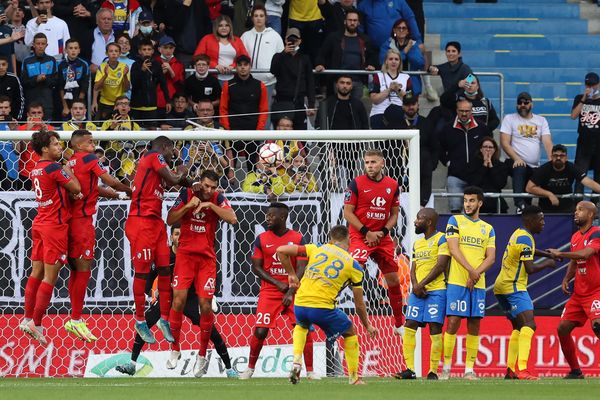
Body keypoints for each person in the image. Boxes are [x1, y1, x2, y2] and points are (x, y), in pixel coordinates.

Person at [115, 224, 239, 378]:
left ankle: (229, 368)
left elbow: (211, 273)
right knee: (145, 324)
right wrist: (143, 297)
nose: (179, 237)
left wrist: (212, 295)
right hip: (167, 298)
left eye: (182, 234)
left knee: (210, 330)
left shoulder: (194, 254)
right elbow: (150, 276)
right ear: (171, 237)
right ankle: (132, 364)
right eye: (176, 234)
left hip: (191, 298)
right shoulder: (164, 256)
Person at [277, 225, 378, 385]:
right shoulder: (355, 266)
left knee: (301, 326)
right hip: (322, 308)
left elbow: (281, 250)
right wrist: (368, 326)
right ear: (349, 241)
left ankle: (296, 361)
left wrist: (291, 274)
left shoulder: (316, 248)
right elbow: (359, 304)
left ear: (331, 239)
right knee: (350, 332)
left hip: (301, 304)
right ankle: (354, 378)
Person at [166, 169, 238, 377]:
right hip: (185, 257)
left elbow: (233, 219)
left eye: (213, 187)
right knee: (178, 300)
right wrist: (189, 206)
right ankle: (175, 349)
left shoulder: (217, 198)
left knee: (205, 306)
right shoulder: (187, 194)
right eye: (206, 186)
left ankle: (202, 354)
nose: (209, 190)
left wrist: (210, 205)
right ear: (200, 182)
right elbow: (171, 219)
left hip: (206, 259)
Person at [64, 129, 132, 342]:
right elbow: (109, 180)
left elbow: (94, 188)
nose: (93, 145)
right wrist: (130, 190)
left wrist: (117, 194)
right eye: (90, 141)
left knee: (76, 269)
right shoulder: (90, 158)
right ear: (78, 145)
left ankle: (74, 317)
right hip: (82, 222)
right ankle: (75, 318)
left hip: (71, 221)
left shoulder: (73, 162)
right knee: (84, 268)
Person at [125, 135, 192, 344]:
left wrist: (193, 181)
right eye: (172, 151)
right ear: (165, 147)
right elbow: (175, 179)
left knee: (164, 268)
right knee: (143, 272)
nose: (173, 155)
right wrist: (182, 165)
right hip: (141, 221)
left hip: (156, 223)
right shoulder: (154, 156)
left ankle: (164, 318)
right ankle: (140, 320)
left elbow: (182, 182)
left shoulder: (158, 167)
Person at [18, 130, 82, 345]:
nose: (59, 148)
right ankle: (36, 322)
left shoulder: (36, 168)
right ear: (45, 148)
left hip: (40, 222)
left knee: (36, 272)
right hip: (54, 225)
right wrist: (68, 171)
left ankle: (27, 318)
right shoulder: (54, 167)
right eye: (55, 144)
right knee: (50, 277)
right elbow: (76, 187)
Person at [240, 203, 317, 380]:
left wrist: (290, 290)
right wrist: (277, 283)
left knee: (303, 328)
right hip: (270, 291)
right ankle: (250, 369)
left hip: (295, 290)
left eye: (271, 215)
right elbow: (256, 267)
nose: (267, 218)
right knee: (260, 331)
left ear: (282, 217)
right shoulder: (261, 238)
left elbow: (302, 266)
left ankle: (311, 371)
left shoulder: (297, 238)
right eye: (267, 215)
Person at [343, 149, 405, 334]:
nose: (369, 166)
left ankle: (399, 323)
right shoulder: (356, 183)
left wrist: (382, 232)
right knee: (353, 273)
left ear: (382, 163)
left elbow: (394, 215)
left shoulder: (392, 185)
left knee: (394, 279)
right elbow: (348, 212)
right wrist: (367, 232)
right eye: (367, 162)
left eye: (373, 162)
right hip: (360, 236)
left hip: (382, 237)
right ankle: (331, 307)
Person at [493, 205, 556, 380]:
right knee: (530, 324)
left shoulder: (519, 233)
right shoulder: (526, 238)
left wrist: (547, 254)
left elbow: (526, 252)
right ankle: (522, 369)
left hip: (501, 286)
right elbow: (530, 268)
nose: (543, 223)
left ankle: (511, 369)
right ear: (530, 220)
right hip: (513, 286)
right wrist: (547, 263)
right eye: (541, 219)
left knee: (518, 327)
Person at [441, 186, 496, 380]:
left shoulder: (488, 228)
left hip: (477, 284)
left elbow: (491, 258)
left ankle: (469, 370)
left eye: (472, 201)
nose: (468, 204)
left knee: (474, 324)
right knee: (453, 322)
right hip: (457, 281)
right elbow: (453, 250)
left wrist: (475, 274)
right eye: (465, 200)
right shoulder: (454, 220)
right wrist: (471, 272)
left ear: (480, 203)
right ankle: (446, 368)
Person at [394, 208, 450, 380]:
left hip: (437, 291)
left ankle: (433, 371)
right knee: (409, 324)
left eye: (419, 218)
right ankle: (410, 369)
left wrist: (422, 285)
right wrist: (416, 286)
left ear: (429, 221)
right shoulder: (417, 243)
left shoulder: (442, 239)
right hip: (418, 291)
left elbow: (440, 266)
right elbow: (413, 269)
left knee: (435, 327)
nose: (415, 221)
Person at [548, 201, 600, 379]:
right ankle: (575, 371)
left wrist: (560, 254)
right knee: (562, 329)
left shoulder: (597, 233)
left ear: (591, 214)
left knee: (598, 327)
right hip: (579, 294)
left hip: (596, 291)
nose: (575, 212)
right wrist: (566, 278)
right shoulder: (575, 236)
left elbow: (585, 254)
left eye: (580, 210)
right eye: (575, 209)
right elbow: (575, 261)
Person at [500, 92, 553, 213]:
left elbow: (547, 142)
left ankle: (542, 209)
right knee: (520, 167)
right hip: (514, 162)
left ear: (531, 104)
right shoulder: (509, 118)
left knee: (547, 173)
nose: (522, 105)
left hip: (533, 166)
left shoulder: (541, 120)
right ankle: (519, 203)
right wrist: (516, 158)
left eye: (526, 102)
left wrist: (552, 161)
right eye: (520, 103)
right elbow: (504, 142)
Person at [383, 92, 437, 206]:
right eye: (407, 104)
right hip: (397, 169)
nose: (411, 107)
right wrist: (389, 164)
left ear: (418, 105)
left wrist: (432, 164)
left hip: (421, 169)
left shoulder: (426, 123)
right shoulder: (394, 124)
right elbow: (386, 147)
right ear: (402, 106)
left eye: (413, 104)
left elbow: (435, 145)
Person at [439, 99, 491, 213]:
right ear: (456, 111)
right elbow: (439, 148)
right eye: (461, 110)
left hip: (476, 175)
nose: (464, 113)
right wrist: (448, 162)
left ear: (471, 111)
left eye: (467, 111)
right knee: (455, 208)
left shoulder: (482, 127)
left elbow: (490, 144)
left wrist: (485, 161)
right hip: (455, 175)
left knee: (473, 210)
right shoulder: (447, 129)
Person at [220, 54, 268, 172]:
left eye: (245, 65)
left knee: (253, 166)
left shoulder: (260, 85)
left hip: (253, 131)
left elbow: (263, 110)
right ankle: (228, 189)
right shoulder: (228, 85)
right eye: (240, 65)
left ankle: (252, 188)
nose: (242, 67)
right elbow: (223, 109)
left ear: (250, 67)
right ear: (236, 67)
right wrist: (227, 129)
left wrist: (259, 130)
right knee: (230, 167)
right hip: (232, 131)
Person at [315, 10, 377, 99]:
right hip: (338, 80)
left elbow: (372, 56)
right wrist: (319, 64)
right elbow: (322, 54)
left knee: (355, 108)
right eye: (350, 20)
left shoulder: (365, 39)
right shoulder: (334, 37)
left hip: (358, 81)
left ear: (358, 22)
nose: (352, 23)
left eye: (355, 20)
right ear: (345, 21)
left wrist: (371, 65)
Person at [526, 144, 600, 214]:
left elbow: (588, 182)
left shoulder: (572, 167)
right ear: (551, 157)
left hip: (567, 208)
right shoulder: (544, 169)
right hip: (546, 209)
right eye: (555, 155)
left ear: (566, 158)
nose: (558, 158)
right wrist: (549, 194)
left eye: (562, 156)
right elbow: (529, 188)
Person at [270, 28, 315, 130]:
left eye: (295, 39)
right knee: (281, 139)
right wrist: (283, 53)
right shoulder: (279, 56)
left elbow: (310, 82)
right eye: (290, 39)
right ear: (285, 40)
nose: (293, 42)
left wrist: (311, 104)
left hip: (298, 102)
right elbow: (273, 70)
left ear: (299, 41)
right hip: (282, 101)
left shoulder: (305, 59)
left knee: (300, 137)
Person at [240, 4, 284, 106]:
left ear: (266, 18)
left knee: (265, 114)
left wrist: (272, 75)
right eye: (256, 16)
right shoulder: (245, 36)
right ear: (252, 18)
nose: (258, 18)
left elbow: (281, 59)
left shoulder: (275, 36)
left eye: (261, 16)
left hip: (268, 83)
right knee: (249, 112)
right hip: (248, 81)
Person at [193, 15, 249, 82]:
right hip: (213, 78)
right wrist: (214, 65)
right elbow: (197, 57)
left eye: (226, 25)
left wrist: (234, 65)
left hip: (234, 78)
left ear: (230, 27)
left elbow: (245, 58)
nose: (224, 28)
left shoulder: (237, 40)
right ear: (216, 27)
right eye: (220, 26)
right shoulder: (207, 39)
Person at [130, 38, 170, 128]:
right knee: (135, 132)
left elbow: (163, 83)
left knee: (152, 131)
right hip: (136, 106)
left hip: (151, 106)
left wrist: (168, 101)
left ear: (152, 51)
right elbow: (134, 83)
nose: (146, 52)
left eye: (149, 49)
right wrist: (142, 70)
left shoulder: (156, 64)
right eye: (144, 49)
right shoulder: (135, 65)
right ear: (140, 51)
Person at [379, 19, 424, 97]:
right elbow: (382, 62)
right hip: (392, 84)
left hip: (411, 85)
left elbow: (420, 63)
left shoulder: (413, 45)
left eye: (404, 28)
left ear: (408, 31)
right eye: (398, 28)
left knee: (410, 108)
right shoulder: (387, 45)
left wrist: (410, 50)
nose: (401, 30)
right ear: (394, 30)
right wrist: (405, 51)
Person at [465, 138, 510, 214]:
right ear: (481, 149)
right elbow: (474, 183)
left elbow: (500, 184)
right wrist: (484, 165)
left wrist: (491, 167)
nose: (488, 149)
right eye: (485, 147)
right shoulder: (472, 164)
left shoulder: (501, 166)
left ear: (494, 150)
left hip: (496, 203)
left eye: (490, 147)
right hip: (478, 203)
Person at [571, 72, 600, 191]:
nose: (591, 87)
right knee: (580, 175)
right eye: (588, 85)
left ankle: (596, 205)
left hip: (598, 142)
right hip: (584, 142)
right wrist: (584, 98)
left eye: (593, 85)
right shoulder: (579, 98)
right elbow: (573, 115)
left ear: (598, 84)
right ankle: (578, 203)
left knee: (598, 177)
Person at [369, 48, 412, 129]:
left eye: (396, 59)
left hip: (399, 113)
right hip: (380, 113)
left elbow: (409, 100)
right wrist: (389, 90)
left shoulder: (406, 77)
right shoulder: (378, 76)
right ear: (386, 61)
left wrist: (398, 90)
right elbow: (374, 99)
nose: (393, 61)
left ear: (400, 62)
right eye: (391, 59)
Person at [357, 0, 422, 50]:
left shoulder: (399, 1)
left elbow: (410, 19)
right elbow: (360, 29)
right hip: (374, 51)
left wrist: (418, 40)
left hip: (398, 50)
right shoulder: (363, 5)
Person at [21, 33, 58, 119]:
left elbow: (56, 82)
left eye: (43, 44)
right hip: (31, 103)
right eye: (38, 44)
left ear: (46, 45)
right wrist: (36, 79)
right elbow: (23, 82)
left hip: (47, 103)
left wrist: (45, 79)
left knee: (47, 130)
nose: (40, 46)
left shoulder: (52, 60)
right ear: (33, 45)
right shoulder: (27, 61)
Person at [92, 42, 130, 120]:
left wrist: (125, 76)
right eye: (111, 51)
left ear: (119, 53)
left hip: (119, 103)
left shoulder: (124, 67)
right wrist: (105, 76)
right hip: (104, 102)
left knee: (118, 127)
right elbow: (96, 87)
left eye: (116, 51)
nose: (114, 53)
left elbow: (126, 89)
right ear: (107, 53)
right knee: (102, 127)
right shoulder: (102, 67)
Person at [57, 38, 90, 118]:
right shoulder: (61, 65)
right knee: (66, 126)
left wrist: (77, 106)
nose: (73, 51)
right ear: (65, 50)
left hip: (79, 100)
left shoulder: (84, 64)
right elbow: (60, 86)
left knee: (80, 127)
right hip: (65, 102)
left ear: (79, 50)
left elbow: (84, 85)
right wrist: (65, 106)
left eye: (76, 48)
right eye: (70, 48)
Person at [91, 8, 115, 73]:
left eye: (109, 19)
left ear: (112, 21)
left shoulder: (118, 36)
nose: (106, 21)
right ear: (97, 21)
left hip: (115, 76)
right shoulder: (88, 35)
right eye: (103, 19)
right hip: (94, 75)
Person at [0, 54, 24, 120]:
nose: (1, 67)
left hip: (12, 119)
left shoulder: (13, 79)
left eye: (3, 64)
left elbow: (20, 101)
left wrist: (17, 119)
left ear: (7, 65)